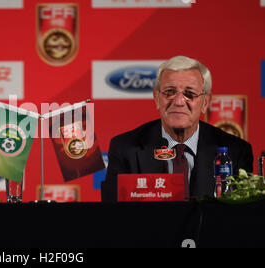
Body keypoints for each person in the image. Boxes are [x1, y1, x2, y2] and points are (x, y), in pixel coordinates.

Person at [101, 55, 253, 202]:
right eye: (169, 92)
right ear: (157, 98)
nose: (179, 101)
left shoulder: (236, 151)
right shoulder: (125, 148)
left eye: (190, 94)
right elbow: (114, 218)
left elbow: (241, 219)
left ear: (205, 102)